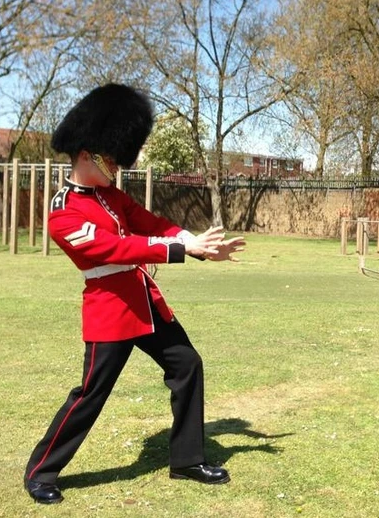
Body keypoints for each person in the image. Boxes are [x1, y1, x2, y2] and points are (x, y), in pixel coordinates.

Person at [24, 83, 245, 504]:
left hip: (144, 302)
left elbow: (150, 223)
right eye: (111, 155)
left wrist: (195, 241)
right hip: (110, 309)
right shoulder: (63, 209)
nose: (116, 163)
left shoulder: (112, 197)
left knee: (187, 365)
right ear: (88, 153)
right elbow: (117, 249)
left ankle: (186, 459)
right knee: (90, 395)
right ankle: (41, 471)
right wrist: (182, 249)